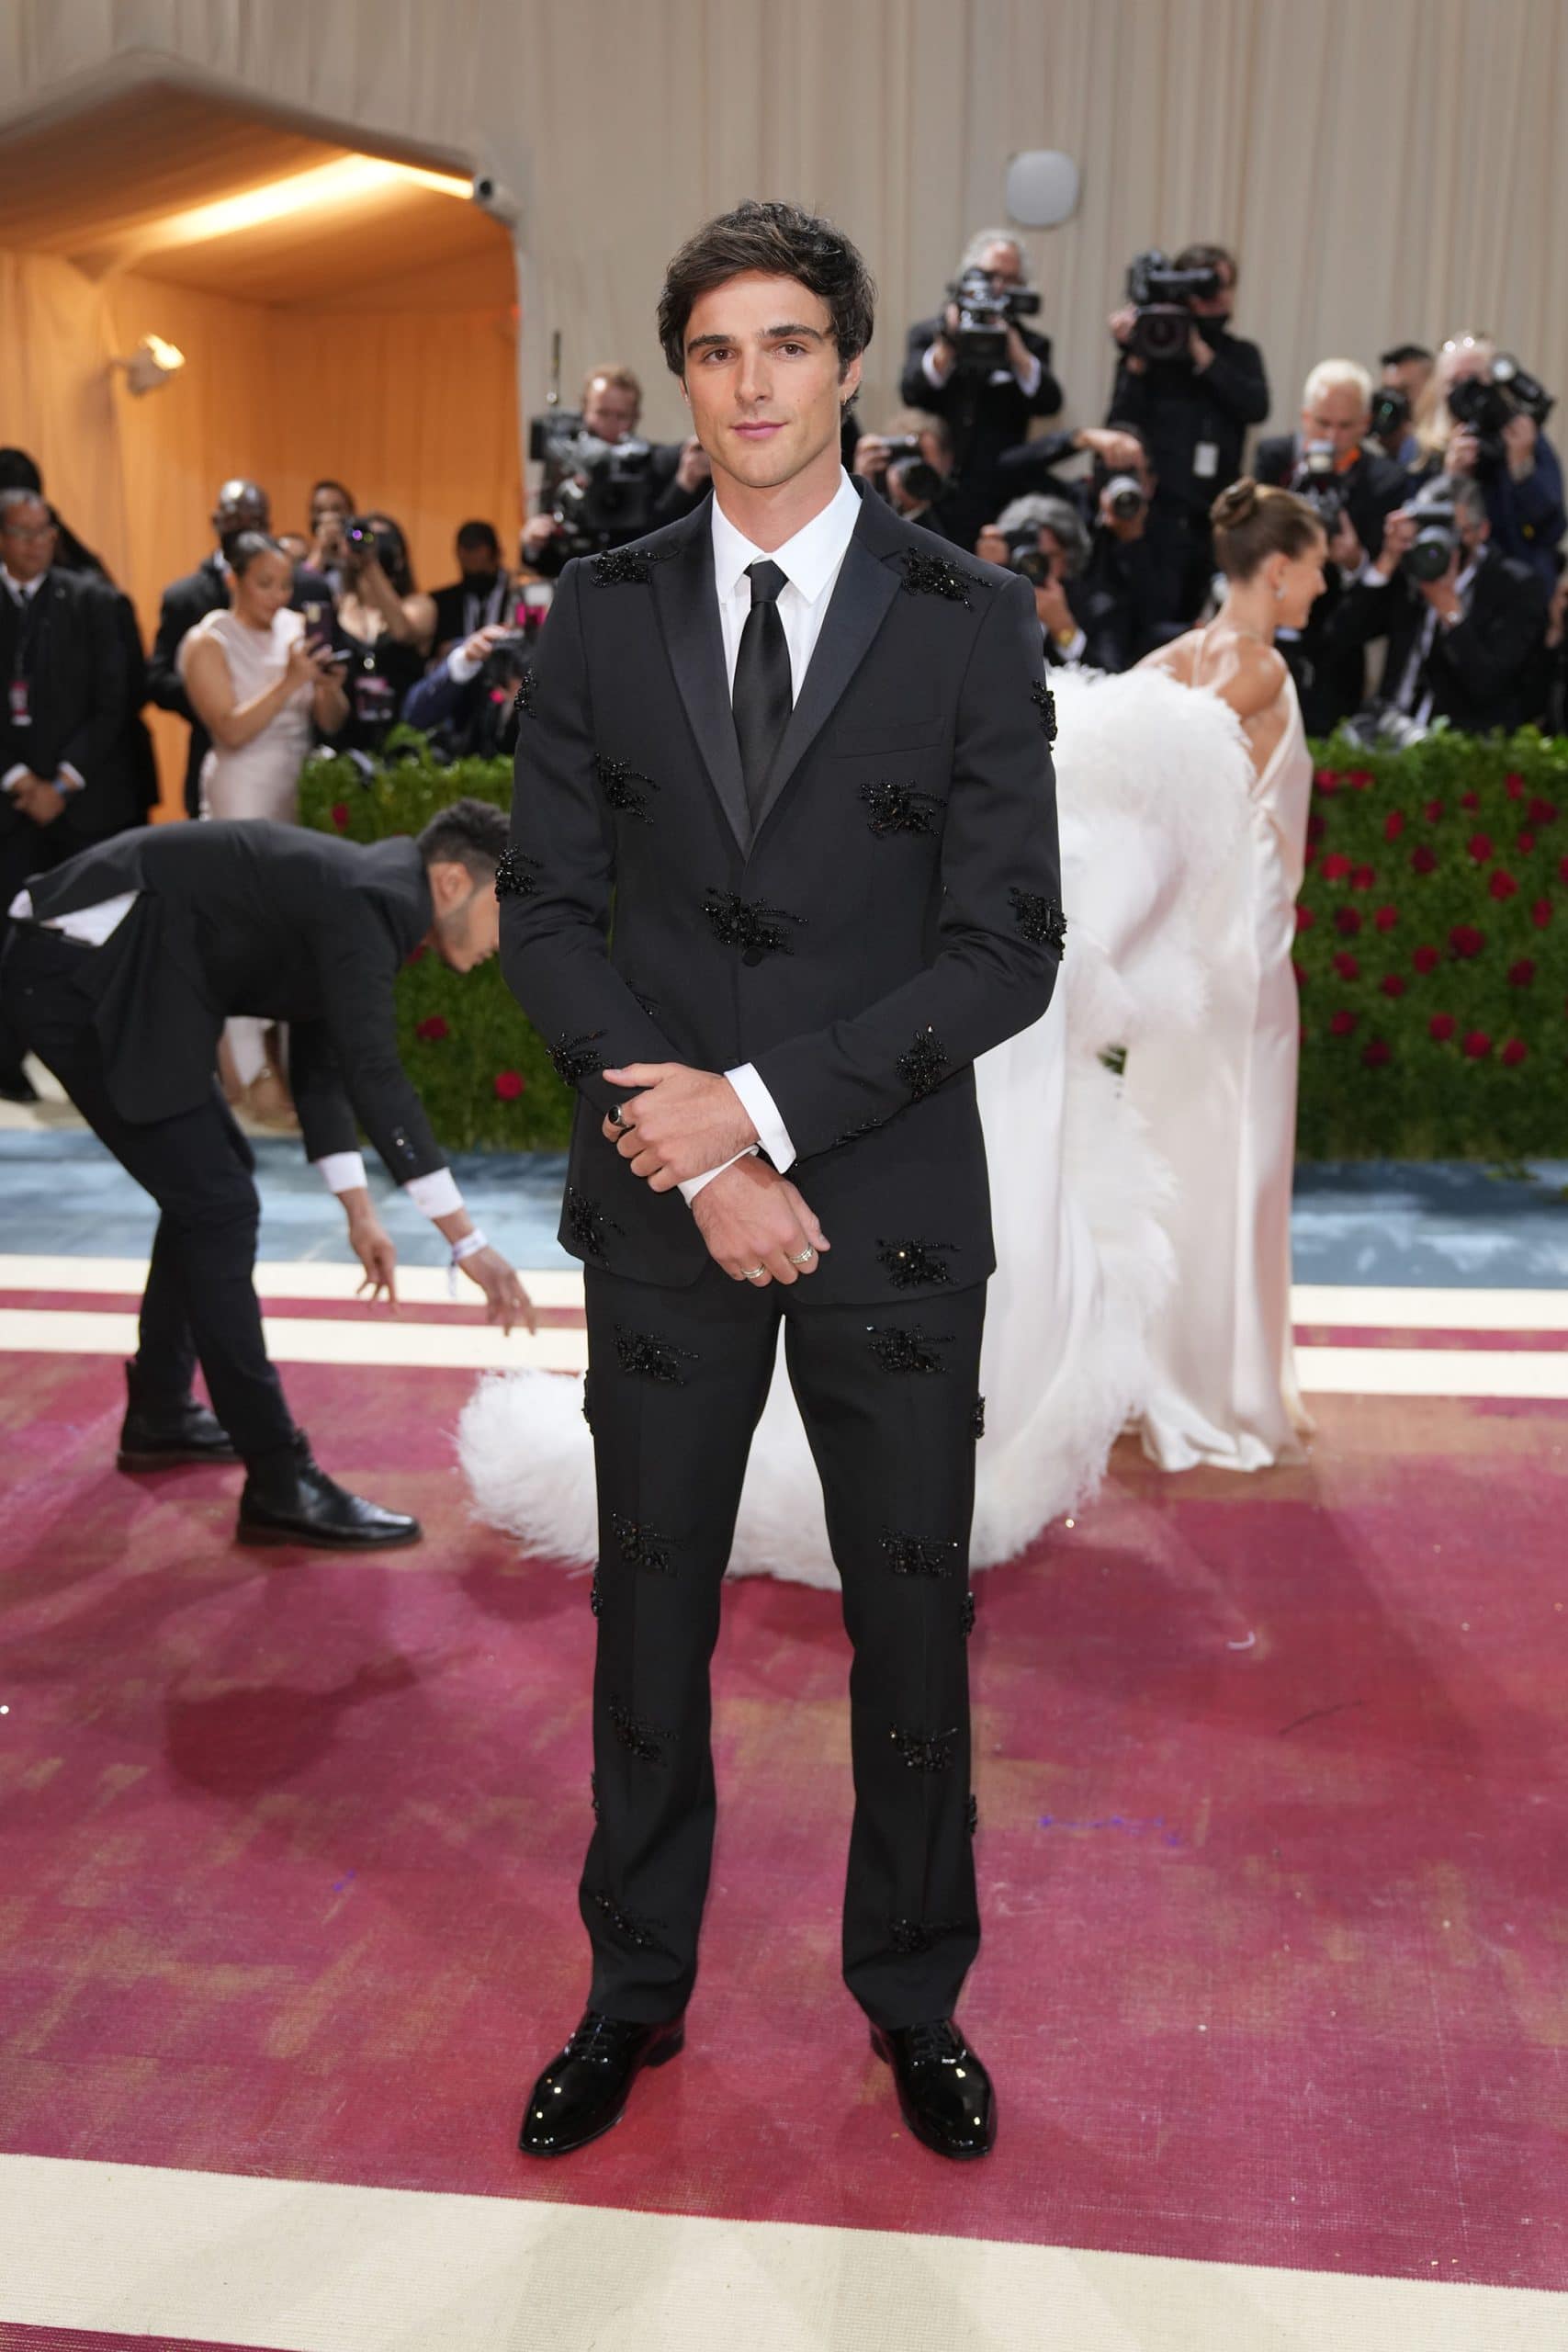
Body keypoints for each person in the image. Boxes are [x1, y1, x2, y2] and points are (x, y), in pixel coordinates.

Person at [499, 198, 1061, 2166]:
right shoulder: (602, 602)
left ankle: (913, 1997)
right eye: (718, 349)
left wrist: (761, 1117)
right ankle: (627, 1988)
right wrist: (690, 1138)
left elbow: (1006, 943)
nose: (753, 383)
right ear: (685, 375)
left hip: (883, 1207)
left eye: (790, 345)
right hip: (657, 1200)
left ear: (848, 363)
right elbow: (552, 911)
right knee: (644, 1628)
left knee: (913, 1637)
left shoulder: (966, 618)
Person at [2, 801, 533, 1544]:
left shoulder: (370, 894)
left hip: (126, 968)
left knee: (212, 1190)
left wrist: (359, 1211)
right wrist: (466, 1241)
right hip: (82, 967)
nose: (508, 940)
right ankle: (279, 1480)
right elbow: (376, 1076)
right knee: (216, 1203)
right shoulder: (373, 900)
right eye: (509, 907)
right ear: (452, 882)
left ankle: (159, 1412)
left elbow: (322, 1062)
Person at [1126, 480, 1325, 1470]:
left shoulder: (1176, 655)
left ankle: (1164, 1368)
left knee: (1173, 1151)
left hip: (1186, 942)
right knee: (1235, 1154)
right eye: (1319, 564)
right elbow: (1169, 744)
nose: (1327, 583)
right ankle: (1221, 1384)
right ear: (1278, 568)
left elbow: (1117, 732)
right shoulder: (1259, 669)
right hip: (1240, 947)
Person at [179, 532, 351, 1121]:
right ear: (235, 579)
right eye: (265, 583)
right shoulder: (206, 641)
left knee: (285, 939)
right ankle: (246, 1076)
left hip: (292, 794)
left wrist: (326, 689)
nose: (278, 596)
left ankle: (275, 1069)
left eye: (285, 583)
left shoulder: (293, 632)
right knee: (239, 937)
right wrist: (291, 682)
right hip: (240, 795)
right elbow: (228, 730)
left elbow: (329, 720)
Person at [0, 490, 144, 1101]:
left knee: (89, 930)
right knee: (7, 931)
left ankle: (96, 1065)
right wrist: (17, 779)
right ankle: (7, 1062)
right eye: (23, 533)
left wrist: (61, 782)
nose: (36, 544)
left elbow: (116, 700)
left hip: (81, 801)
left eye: (45, 533)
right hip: (9, 801)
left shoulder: (91, 601)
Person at [1106, 243, 1269, 623]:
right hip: (1156, 517)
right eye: (1209, 288)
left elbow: (1255, 407)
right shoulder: (1152, 354)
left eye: (1226, 287)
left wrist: (1200, 353)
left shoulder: (1240, 354)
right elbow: (1120, 424)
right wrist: (1135, 358)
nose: (1219, 298)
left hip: (1216, 519)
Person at [1254, 359, 1410, 733]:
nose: (1333, 437)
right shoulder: (1276, 460)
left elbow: (1382, 585)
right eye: (1323, 423)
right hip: (1268, 634)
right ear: (1305, 417)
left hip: (1337, 644)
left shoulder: (1385, 480)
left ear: (1365, 424)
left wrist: (1353, 560)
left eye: (1345, 426)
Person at [1331, 473, 1548, 736]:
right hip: (1387, 731)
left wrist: (1450, 611)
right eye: (1429, 529)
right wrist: (1386, 562)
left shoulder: (1516, 586)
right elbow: (1342, 637)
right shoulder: (1409, 569)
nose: (1439, 543)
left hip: (1461, 744)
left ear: (1483, 530)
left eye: (1453, 531)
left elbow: (1489, 685)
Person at [899, 229, 1064, 551]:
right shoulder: (929, 335)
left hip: (1000, 501)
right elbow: (911, 391)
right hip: (934, 496)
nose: (998, 287)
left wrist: (1016, 353)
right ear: (965, 279)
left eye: (1010, 280)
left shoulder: (1031, 345)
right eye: (989, 276)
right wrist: (948, 345)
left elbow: (1049, 402)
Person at [146, 479, 272, 818]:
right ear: (216, 522)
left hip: (281, 758)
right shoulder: (185, 597)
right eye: (235, 519)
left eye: (255, 520)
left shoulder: (296, 591)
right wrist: (214, 701)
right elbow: (157, 678)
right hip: (213, 748)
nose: (245, 529)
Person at [523, 367, 713, 573]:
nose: (611, 424)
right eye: (602, 413)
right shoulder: (564, 467)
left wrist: (685, 483)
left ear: (635, 417)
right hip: (582, 593)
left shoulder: (657, 464)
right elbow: (547, 562)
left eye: (621, 416)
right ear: (584, 411)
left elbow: (663, 542)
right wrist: (532, 541)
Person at [1413, 333, 1564, 592]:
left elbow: (1550, 532)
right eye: (1454, 383)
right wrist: (1451, 479)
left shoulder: (1527, 441)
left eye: (1474, 381)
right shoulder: (1423, 451)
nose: (1465, 393)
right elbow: (1413, 531)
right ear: (1439, 389)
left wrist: (1522, 466)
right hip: (1448, 588)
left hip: (1520, 591)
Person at [333, 512, 435, 753]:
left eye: (381, 540)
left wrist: (370, 565)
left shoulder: (420, 605)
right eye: (365, 537)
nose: (370, 544)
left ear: (399, 555)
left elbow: (401, 631)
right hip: (346, 741)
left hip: (403, 740)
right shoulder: (338, 605)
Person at [850, 411, 964, 541]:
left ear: (947, 460)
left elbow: (945, 555)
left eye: (921, 457)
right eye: (905, 456)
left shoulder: (962, 510)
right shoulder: (873, 502)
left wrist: (918, 511)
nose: (914, 470)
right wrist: (860, 491)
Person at [430, 521, 516, 654]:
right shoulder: (442, 603)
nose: (469, 557)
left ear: (497, 553)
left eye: (476, 550)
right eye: (465, 551)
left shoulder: (517, 594)